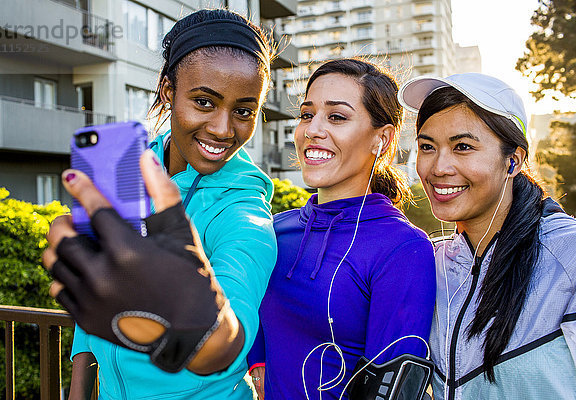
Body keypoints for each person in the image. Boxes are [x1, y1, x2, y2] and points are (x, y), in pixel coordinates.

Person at [46, 9, 279, 400]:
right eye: (204, 102)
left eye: (243, 111)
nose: (223, 129)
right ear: (168, 91)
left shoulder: (243, 208)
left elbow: (225, 339)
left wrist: (204, 330)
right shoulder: (133, 172)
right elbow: (94, 309)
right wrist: (78, 392)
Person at [247, 59, 436, 400]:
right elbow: (251, 319)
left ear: (383, 139)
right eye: (307, 114)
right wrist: (257, 360)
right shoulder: (274, 229)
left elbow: (393, 390)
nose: (312, 130)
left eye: (336, 117)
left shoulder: (403, 249)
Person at [397, 73, 576, 399]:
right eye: (427, 147)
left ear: (513, 161)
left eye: (462, 147)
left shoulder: (567, 251)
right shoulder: (430, 263)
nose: (439, 167)